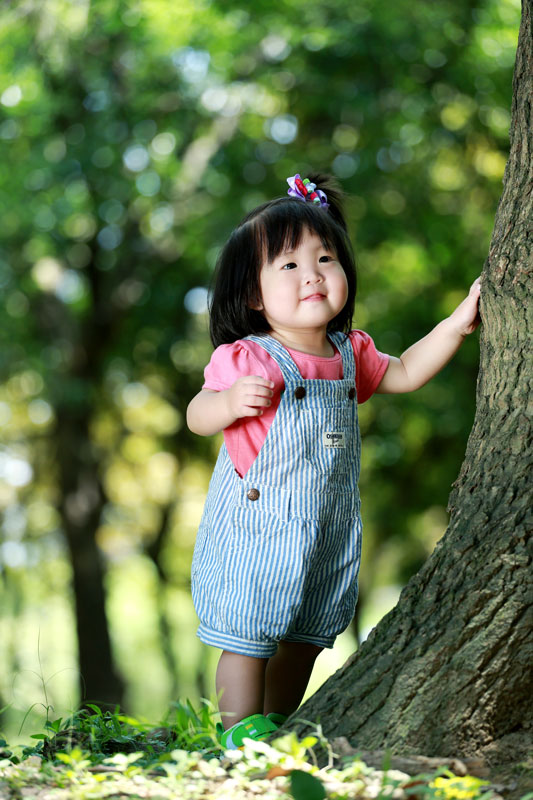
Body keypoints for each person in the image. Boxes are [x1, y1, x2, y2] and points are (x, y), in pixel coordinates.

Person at [186, 172, 481, 749]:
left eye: (325, 258)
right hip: (259, 531)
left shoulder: (353, 353)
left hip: (326, 529)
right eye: (289, 266)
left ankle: (277, 724)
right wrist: (225, 402)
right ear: (253, 294)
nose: (313, 274)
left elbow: (405, 372)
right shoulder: (249, 357)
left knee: (306, 636)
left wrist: (454, 325)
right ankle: (237, 733)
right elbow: (196, 413)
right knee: (247, 635)